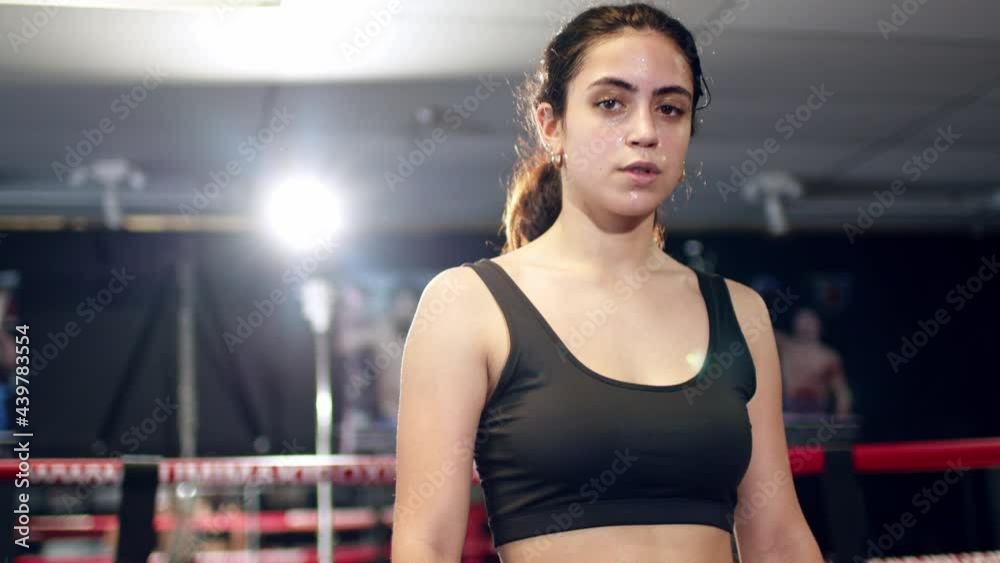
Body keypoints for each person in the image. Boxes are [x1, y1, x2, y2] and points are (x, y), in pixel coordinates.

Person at [392, 4, 824, 562]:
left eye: (670, 109)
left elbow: (779, 538)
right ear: (552, 126)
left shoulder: (740, 312)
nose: (645, 132)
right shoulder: (468, 305)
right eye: (611, 104)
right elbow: (425, 543)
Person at [776, 307, 852, 418]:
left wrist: (842, 414)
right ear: (795, 324)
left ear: (819, 325)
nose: (806, 325)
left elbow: (841, 390)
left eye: (810, 322)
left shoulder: (828, 356)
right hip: (790, 410)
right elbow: (761, 332)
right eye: (803, 321)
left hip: (816, 412)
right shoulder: (785, 347)